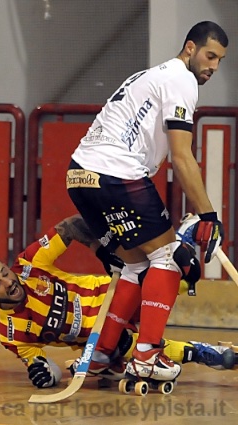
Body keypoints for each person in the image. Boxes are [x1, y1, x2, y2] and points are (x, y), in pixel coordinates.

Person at [65, 21, 228, 385]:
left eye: (220, 60)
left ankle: (102, 354)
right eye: (210, 56)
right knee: (170, 258)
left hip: (79, 176)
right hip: (116, 173)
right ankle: (147, 356)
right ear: (190, 48)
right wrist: (208, 215)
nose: (214, 66)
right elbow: (182, 156)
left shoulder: (150, 75)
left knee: (136, 265)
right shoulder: (182, 80)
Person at [0, 215, 235, 389]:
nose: (8, 282)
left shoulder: (29, 264)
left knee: (182, 278)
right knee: (126, 347)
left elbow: (71, 225)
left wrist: (101, 251)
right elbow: (42, 365)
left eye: (4, 272)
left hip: (115, 294)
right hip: (103, 342)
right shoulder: (10, 333)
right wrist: (44, 375)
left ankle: (184, 235)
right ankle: (203, 353)